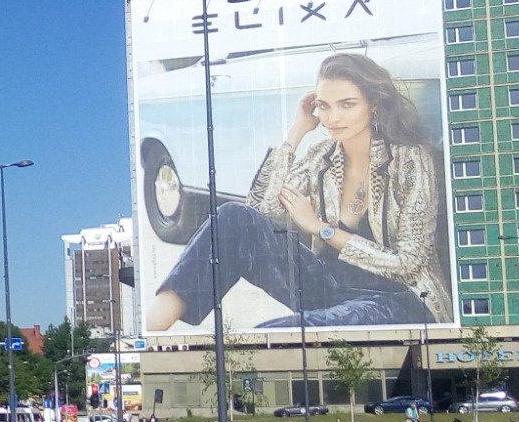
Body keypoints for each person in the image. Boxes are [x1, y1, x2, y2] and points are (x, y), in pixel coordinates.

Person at [145, 52, 446, 332]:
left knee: (272, 334)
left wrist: (322, 230)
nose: (333, 118)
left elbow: (408, 265)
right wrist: (297, 132)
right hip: (330, 286)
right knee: (233, 217)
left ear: (374, 105)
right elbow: (255, 218)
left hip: (399, 298)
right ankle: (150, 333)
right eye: (325, 106)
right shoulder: (322, 157)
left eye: (347, 104)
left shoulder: (410, 160)